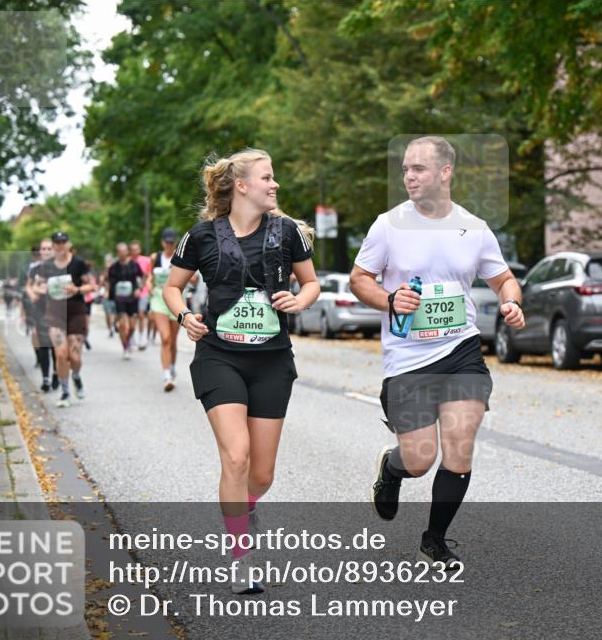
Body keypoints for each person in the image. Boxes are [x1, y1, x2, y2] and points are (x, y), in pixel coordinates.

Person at [350, 136, 526, 568]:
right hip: (408, 360)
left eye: (418, 169)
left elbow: (504, 278)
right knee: (420, 458)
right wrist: (389, 299)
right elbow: (359, 279)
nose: (408, 176)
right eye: (406, 169)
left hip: (461, 350)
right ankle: (392, 470)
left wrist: (512, 301)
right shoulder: (388, 225)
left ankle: (435, 539)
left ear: (445, 173)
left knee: (459, 445)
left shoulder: (474, 228)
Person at [164, 148, 319, 593]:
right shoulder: (201, 236)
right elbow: (172, 288)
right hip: (219, 356)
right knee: (236, 455)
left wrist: (300, 300)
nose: (275, 185)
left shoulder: (288, 233)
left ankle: (244, 506)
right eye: (268, 178)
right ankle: (240, 556)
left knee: (262, 474)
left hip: (272, 360)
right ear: (243, 186)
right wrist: (184, 317)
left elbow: (310, 283)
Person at [34, 231, 93, 407]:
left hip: (75, 312)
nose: (60, 245)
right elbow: (36, 287)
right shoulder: (46, 266)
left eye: (63, 242)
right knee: (60, 353)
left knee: (74, 357)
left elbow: (91, 285)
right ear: (53, 245)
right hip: (54, 313)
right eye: (57, 243)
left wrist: (77, 289)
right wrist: (43, 289)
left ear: (68, 243)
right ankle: (65, 392)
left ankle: (76, 376)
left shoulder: (78, 263)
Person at [148, 228, 189, 391]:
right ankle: (167, 376)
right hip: (158, 298)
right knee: (165, 338)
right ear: (162, 242)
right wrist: (149, 285)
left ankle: (171, 366)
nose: (169, 245)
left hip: (176, 298)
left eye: (172, 242)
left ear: (175, 242)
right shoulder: (155, 257)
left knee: (172, 340)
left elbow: (192, 279)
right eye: (166, 242)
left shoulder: (181, 257)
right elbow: (150, 276)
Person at [25, 240, 58, 391]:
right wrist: (33, 293)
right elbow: (28, 286)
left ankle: (57, 373)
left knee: (55, 345)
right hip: (40, 310)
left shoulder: (60, 267)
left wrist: (44, 290)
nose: (45, 251)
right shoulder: (35, 269)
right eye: (43, 248)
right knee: (44, 344)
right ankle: (45, 378)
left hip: (57, 311)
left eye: (48, 248)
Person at [107, 242, 144, 360]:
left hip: (132, 298)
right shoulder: (113, 267)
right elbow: (109, 282)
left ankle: (128, 340)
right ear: (117, 253)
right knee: (122, 324)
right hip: (120, 299)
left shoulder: (134, 265)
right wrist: (109, 292)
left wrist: (139, 289)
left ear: (127, 252)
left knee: (132, 326)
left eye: (124, 251)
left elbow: (142, 278)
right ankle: (125, 347)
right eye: (120, 251)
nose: (122, 253)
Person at [129, 240, 153, 350]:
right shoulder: (127, 261)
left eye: (136, 249)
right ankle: (132, 338)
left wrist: (147, 286)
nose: (134, 251)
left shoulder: (146, 260)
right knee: (132, 316)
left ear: (139, 250)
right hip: (130, 293)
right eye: (132, 250)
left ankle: (142, 338)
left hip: (143, 292)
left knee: (141, 314)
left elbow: (149, 275)